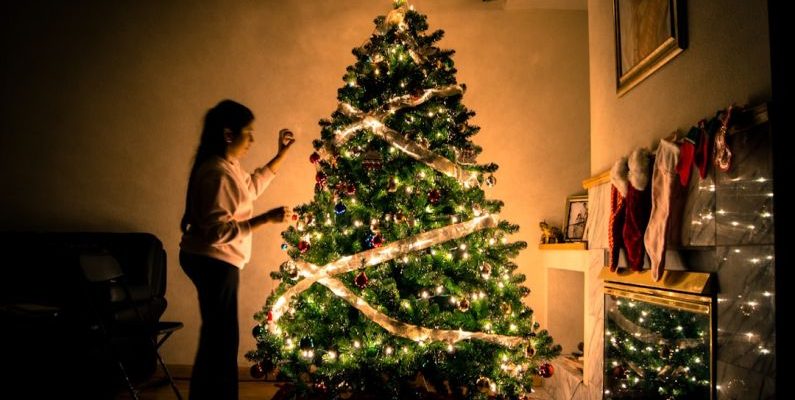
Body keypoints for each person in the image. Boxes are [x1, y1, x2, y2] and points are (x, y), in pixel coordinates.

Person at [179, 99, 295, 400]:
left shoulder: (228, 167)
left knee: (219, 337)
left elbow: (252, 186)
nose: (252, 140)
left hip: (216, 261)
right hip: (212, 261)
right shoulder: (216, 173)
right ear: (229, 135)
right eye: (249, 132)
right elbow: (218, 232)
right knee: (220, 339)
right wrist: (266, 219)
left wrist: (280, 155)